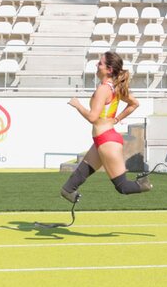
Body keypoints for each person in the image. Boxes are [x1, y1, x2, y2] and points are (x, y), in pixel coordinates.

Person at [61, 52, 150, 203]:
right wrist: (116, 119)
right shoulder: (113, 87)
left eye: (100, 63)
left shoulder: (104, 89)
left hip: (107, 141)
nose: (96, 65)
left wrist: (78, 106)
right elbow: (134, 104)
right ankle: (70, 194)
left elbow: (92, 118)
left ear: (109, 69)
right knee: (69, 186)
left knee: (122, 187)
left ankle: (145, 183)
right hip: (102, 140)